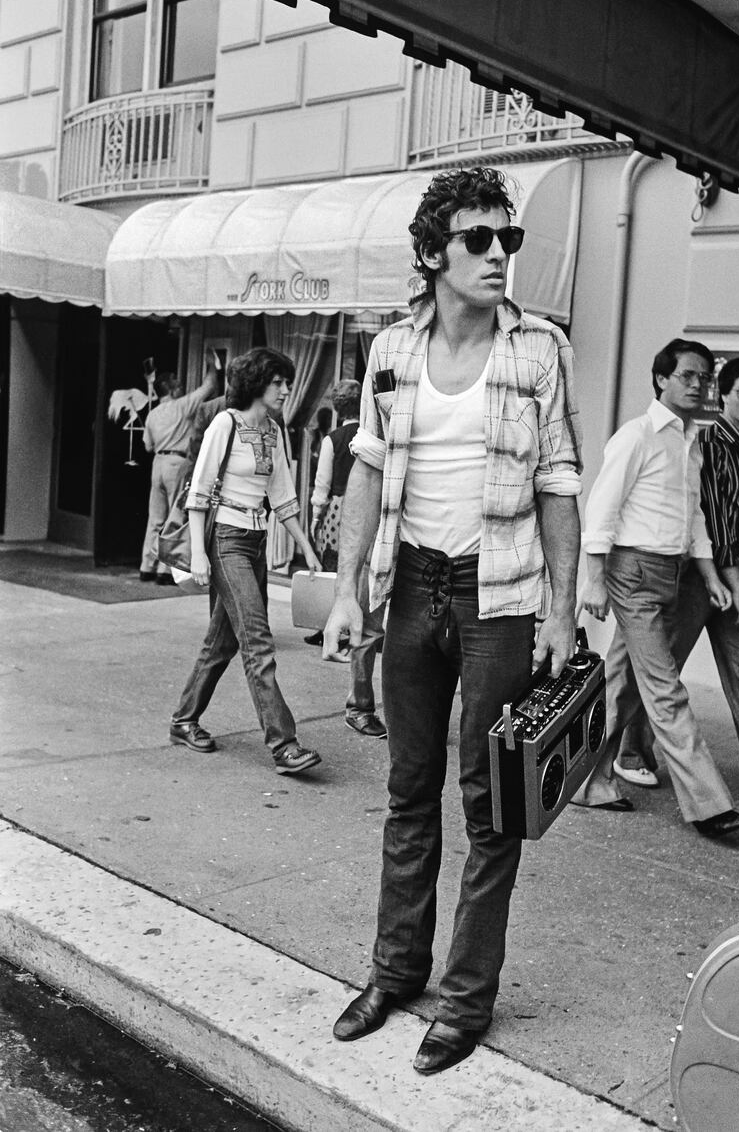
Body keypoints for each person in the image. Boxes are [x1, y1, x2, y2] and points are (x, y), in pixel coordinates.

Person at [323, 167, 583, 1073]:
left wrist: (562, 609)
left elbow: (559, 483)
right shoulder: (391, 349)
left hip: (498, 596)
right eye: (479, 240)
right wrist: (350, 584)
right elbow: (364, 466)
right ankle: (396, 972)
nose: (499, 256)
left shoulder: (540, 350)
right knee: (406, 790)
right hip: (412, 590)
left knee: (490, 803)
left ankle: (466, 1000)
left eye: (506, 240)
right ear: (433, 252)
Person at [573, 338, 739, 839]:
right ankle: (709, 805)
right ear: (661, 380)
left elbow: (694, 518)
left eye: (704, 378)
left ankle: (588, 779)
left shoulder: (690, 441)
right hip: (633, 574)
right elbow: (601, 509)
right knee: (664, 689)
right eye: (688, 376)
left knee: (621, 685)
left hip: (670, 574)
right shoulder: (637, 436)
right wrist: (596, 578)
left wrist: (712, 577)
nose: (699, 385)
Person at [614, 357, 739, 816]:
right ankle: (629, 753)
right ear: (724, 396)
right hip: (702, 574)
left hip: (726, 570)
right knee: (659, 673)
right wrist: (731, 582)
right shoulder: (708, 442)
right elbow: (709, 522)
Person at [170, 348, 323, 776]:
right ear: (258, 382)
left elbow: (283, 494)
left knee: (222, 641)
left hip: (256, 540)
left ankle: (184, 719)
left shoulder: (274, 430)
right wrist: (200, 554)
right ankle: (284, 744)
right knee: (258, 640)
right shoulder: (226, 423)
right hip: (226, 539)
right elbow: (199, 491)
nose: (287, 389)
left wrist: (305, 547)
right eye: (280, 382)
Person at [309, 379, 387, 738]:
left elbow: (322, 484)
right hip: (377, 518)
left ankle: (359, 701)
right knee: (367, 608)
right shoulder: (376, 434)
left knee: (350, 585)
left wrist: (316, 515)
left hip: (344, 513)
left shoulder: (333, 440)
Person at [140, 353, 218, 584]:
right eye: (177, 383)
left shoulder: (153, 414)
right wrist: (212, 365)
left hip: (158, 463)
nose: (181, 387)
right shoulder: (183, 406)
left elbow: (147, 445)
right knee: (173, 517)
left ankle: (146, 566)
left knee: (154, 518)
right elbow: (209, 386)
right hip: (177, 462)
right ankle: (165, 570)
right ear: (171, 389)